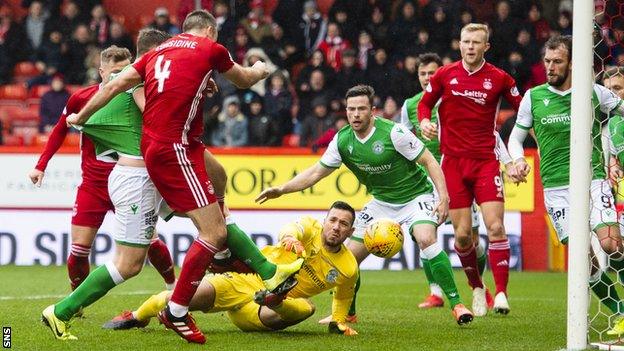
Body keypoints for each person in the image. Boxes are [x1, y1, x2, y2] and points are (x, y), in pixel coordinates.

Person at [64, 10, 303, 344]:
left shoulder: (160, 59)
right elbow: (242, 80)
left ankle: (251, 267)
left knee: (217, 185)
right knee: (148, 253)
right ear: (208, 31)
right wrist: (261, 69)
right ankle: (175, 305)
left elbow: (121, 86)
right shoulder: (181, 58)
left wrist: (79, 115)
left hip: (168, 150)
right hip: (159, 155)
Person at [257, 85, 474, 326]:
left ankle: (457, 304)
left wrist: (443, 197)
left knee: (425, 238)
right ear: (346, 112)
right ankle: (348, 312)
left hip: (416, 197)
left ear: (372, 111)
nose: (356, 114)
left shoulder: (394, 133)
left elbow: (429, 160)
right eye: (351, 109)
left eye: (361, 109)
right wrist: (282, 189)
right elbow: (316, 172)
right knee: (348, 257)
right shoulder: (342, 140)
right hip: (381, 203)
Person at [40, 36, 178, 342]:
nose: (119, 76)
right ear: (102, 72)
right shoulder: (87, 99)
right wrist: (41, 164)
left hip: (138, 175)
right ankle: (70, 305)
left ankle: (175, 291)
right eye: (113, 72)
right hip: (109, 182)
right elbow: (65, 126)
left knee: (156, 240)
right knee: (98, 254)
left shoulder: (139, 92)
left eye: (124, 70)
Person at [507, 36, 624, 334]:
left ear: (572, 63)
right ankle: (620, 313)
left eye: (557, 61)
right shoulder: (533, 98)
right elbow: (515, 139)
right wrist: (517, 161)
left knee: (611, 243)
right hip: (556, 189)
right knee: (584, 262)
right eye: (547, 61)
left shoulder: (594, 92)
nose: (550, 67)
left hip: (593, 180)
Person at [104, 201, 360, 336]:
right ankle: (136, 317)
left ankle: (275, 299)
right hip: (246, 281)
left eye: (343, 224)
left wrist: (338, 321)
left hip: (262, 313)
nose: (336, 227)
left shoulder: (348, 267)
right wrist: (289, 238)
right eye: (333, 220)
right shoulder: (310, 227)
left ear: (351, 231)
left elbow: (344, 295)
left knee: (307, 307)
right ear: (325, 220)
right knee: (183, 297)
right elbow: (292, 228)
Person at [417, 23, 523, 316]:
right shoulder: (444, 75)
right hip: (452, 164)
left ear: (486, 46)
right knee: (463, 236)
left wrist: (514, 156)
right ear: (459, 44)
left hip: (486, 162)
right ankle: (477, 287)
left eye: (477, 42)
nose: (471, 47)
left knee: (497, 227)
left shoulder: (499, 78)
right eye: (466, 41)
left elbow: (525, 109)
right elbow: (424, 105)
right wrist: (425, 122)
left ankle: (501, 293)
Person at [401, 52, 502, 310]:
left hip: (459, 171)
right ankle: (435, 292)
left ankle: (479, 285)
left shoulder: (456, 95)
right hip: (427, 181)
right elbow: (401, 140)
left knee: (469, 237)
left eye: (431, 73)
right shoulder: (410, 105)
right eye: (423, 73)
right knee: (427, 234)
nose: (427, 78)